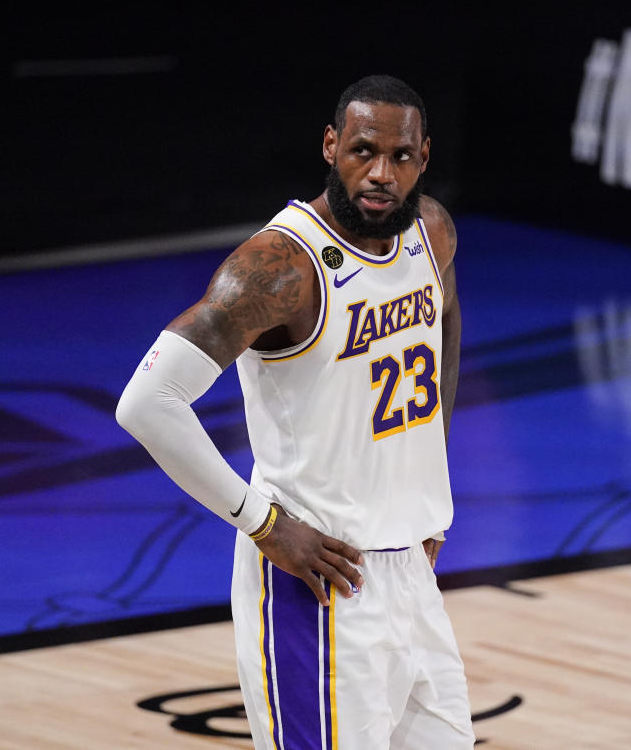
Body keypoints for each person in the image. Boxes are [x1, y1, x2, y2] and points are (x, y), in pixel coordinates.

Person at [116, 74, 474, 748]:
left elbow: (444, 324)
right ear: (331, 144)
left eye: (400, 157)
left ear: (423, 159)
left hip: (412, 577)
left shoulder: (431, 232)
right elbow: (147, 402)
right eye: (363, 150)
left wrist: (429, 487)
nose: (380, 173)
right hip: (316, 585)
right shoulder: (280, 267)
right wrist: (262, 523)